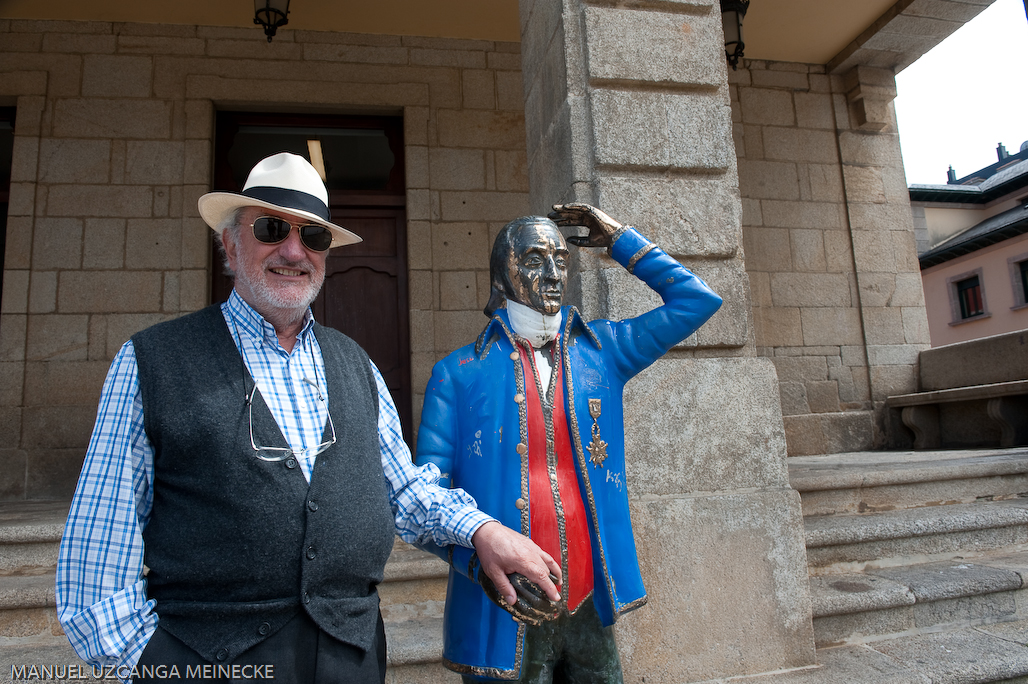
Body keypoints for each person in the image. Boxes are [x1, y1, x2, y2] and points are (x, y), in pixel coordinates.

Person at [55, 152, 560, 684]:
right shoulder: (151, 362)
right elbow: (96, 567)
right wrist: (162, 667)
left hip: (351, 658)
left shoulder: (356, 363)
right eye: (272, 228)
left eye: (313, 237)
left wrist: (482, 530)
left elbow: (404, 493)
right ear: (230, 244)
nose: (294, 251)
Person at [415, 203, 723, 682]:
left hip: (586, 598)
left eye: (561, 259)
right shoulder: (457, 374)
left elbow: (696, 301)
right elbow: (424, 502)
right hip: (502, 604)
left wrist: (622, 240)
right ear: (501, 276)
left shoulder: (605, 351)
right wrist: (481, 568)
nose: (555, 273)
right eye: (535, 260)